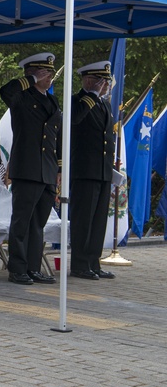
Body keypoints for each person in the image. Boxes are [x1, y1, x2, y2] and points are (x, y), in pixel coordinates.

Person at [0, 53, 60, 285]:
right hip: (26, 168)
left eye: (50, 73)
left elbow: (57, 136)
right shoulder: (21, 97)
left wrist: (59, 168)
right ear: (31, 73)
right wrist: (31, 80)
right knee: (21, 222)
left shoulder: (52, 101)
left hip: (47, 169)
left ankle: (34, 267)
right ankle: (18, 269)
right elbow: (5, 91)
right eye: (44, 73)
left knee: (38, 224)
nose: (49, 77)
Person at [69, 61, 117, 280]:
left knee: (98, 221)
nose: (106, 85)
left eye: (106, 81)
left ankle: (93, 262)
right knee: (83, 220)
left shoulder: (104, 105)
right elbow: (75, 120)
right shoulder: (77, 101)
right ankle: (79, 264)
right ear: (89, 80)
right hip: (84, 171)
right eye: (102, 81)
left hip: (103, 172)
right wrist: (92, 95)